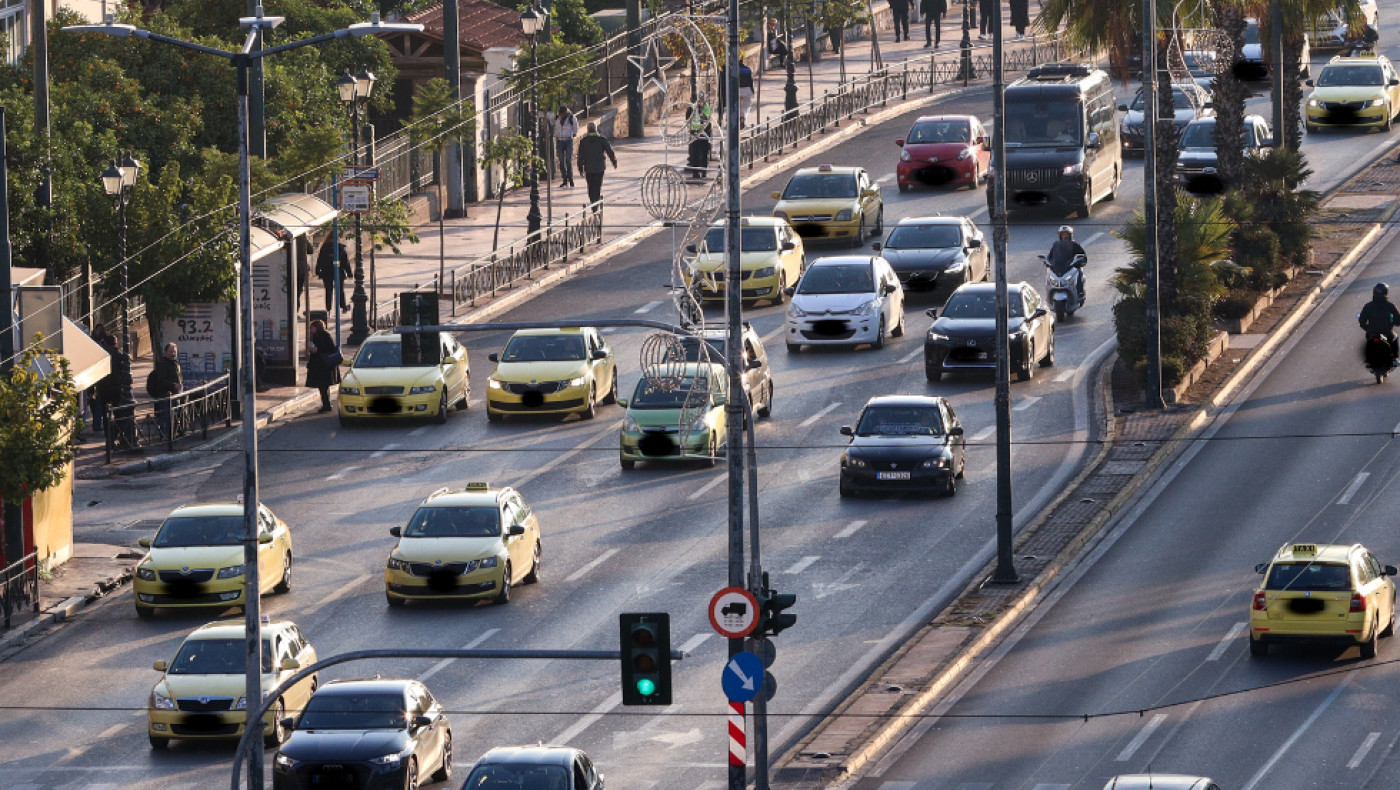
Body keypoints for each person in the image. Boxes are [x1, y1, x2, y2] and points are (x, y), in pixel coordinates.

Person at [576, 122, 617, 212]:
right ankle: (596, 204)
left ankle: (593, 203)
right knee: (597, 186)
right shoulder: (601, 139)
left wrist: (580, 168)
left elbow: (580, 156)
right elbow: (609, 151)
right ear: (596, 129)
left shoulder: (583, 141)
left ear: (587, 130)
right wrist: (614, 161)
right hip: (599, 168)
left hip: (589, 168)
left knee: (590, 187)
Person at [148, 341, 183, 439]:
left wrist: (179, 386)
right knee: (165, 416)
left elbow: (179, 376)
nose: (173, 354)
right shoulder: (163, 364)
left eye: (174, 352)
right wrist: (173, 385)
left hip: (176, 394)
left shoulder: (175, 363)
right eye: (171, 352)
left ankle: (173, 434)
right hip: (165, 395)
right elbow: (161, 380)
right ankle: (165, 436)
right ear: (166, 352)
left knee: (175, 415)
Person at [1359, 282, 1400, 365]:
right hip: (1387, 332)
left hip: (1371, 332)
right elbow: (1398, 319)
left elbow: (1362, 321)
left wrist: (1368, 329)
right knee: (1395, 337)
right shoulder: (1390, 306)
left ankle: (1369, 359)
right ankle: (1395, 358)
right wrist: (1394, 323)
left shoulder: (1368, 306)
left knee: (1369, 342)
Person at [306, 319, 341, 413]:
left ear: (316, 327)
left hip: (323, 366)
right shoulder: (318, 335)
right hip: (320, 365)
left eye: (312, 328)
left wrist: (316, 350)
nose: (311, 330)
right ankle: (326, 404)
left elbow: (328, 348)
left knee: (323, 386)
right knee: (323, 386)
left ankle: (326, 405)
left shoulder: (324, 335)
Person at [1047, 225, 1087, 302]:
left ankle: (1080, 292)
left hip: (1072, 267)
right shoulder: (1056, 245)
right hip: (1060, 267)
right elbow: (1051, 256)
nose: (1065, 236)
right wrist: (1048, 262)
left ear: (1070, 235)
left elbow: (1083, 256)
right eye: (1063, 234)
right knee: (1049, 274)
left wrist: (1079, 261)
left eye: (1066, 234)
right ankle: (1049, 293)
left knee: (1079, 272)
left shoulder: (1075, 245)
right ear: (1060, 235)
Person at [315, 231, 350, 313]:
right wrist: (349, 272)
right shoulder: (340, 247)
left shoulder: (325, 247)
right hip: (338, 271)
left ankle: (328, 309)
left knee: (328, 291)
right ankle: (343, 306)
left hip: (326, 272)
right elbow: (345, 261)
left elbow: (320, 259)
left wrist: (317, 270)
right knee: (340, 290)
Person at [554, 107, 579, 188]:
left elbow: (575, 129)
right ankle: (564, 179)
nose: (561, 115)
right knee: (561, 161)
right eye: (560, 114)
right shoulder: (557, 118)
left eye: (563, 114)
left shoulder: (572, 118)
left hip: (568, 140)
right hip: (559, 140)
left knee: (568, 160)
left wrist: (570, 134)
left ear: (566, 113)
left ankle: (570, 178)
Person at [737, 64, 755, 129]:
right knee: (746, 106)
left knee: (738, 105)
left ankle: (740, 116)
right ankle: (743, 117)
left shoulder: (734, 70)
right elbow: (751, 81)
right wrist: (752, 91)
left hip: (737, 89)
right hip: (747, 89)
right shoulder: (748, 69)